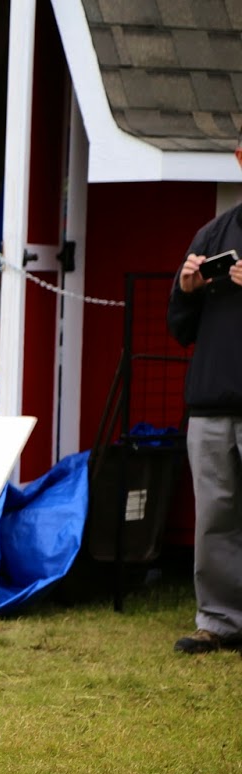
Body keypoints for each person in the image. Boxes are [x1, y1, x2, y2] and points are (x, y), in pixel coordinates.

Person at [167, 141, 242, 655]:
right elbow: (181, 330)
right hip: (212, 400)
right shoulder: (215, 232)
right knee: (215, 517)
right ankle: (219, 622)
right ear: (239, 157)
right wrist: (187, 289)